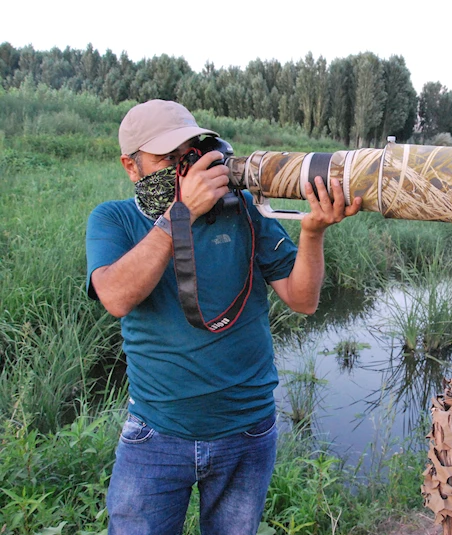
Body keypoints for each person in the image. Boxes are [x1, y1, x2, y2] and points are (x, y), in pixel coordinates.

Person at [85, 99, 361, 534]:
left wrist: (312, 232)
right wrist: (181, 214)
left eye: (190, 154)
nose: (185, 168)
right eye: (168, 159)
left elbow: (303, 299)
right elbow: (116, 297)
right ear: (131, 166)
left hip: (247, 432)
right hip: (156, 434)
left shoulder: (242, 210)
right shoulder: (114, 219)